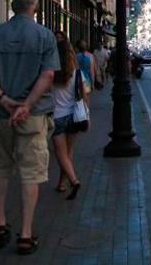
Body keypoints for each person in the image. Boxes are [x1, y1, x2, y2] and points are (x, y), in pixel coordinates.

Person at [0, 0, 59, 255]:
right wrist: (26, 106)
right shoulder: (45, 37)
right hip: (31, 116)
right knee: (30, 172)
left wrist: (2, 99)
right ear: (34, 6)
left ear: (13, 6)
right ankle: (25, 233)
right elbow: (48, 75)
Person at [51, 39, 88, 199]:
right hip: (73, 116)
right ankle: (61, 182)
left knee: (60, 153)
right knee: (69, 152)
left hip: (57, 117)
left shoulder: (51, 73)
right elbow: (84, 94)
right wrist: (87, 115)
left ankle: (73, 180)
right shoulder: (77, 73)